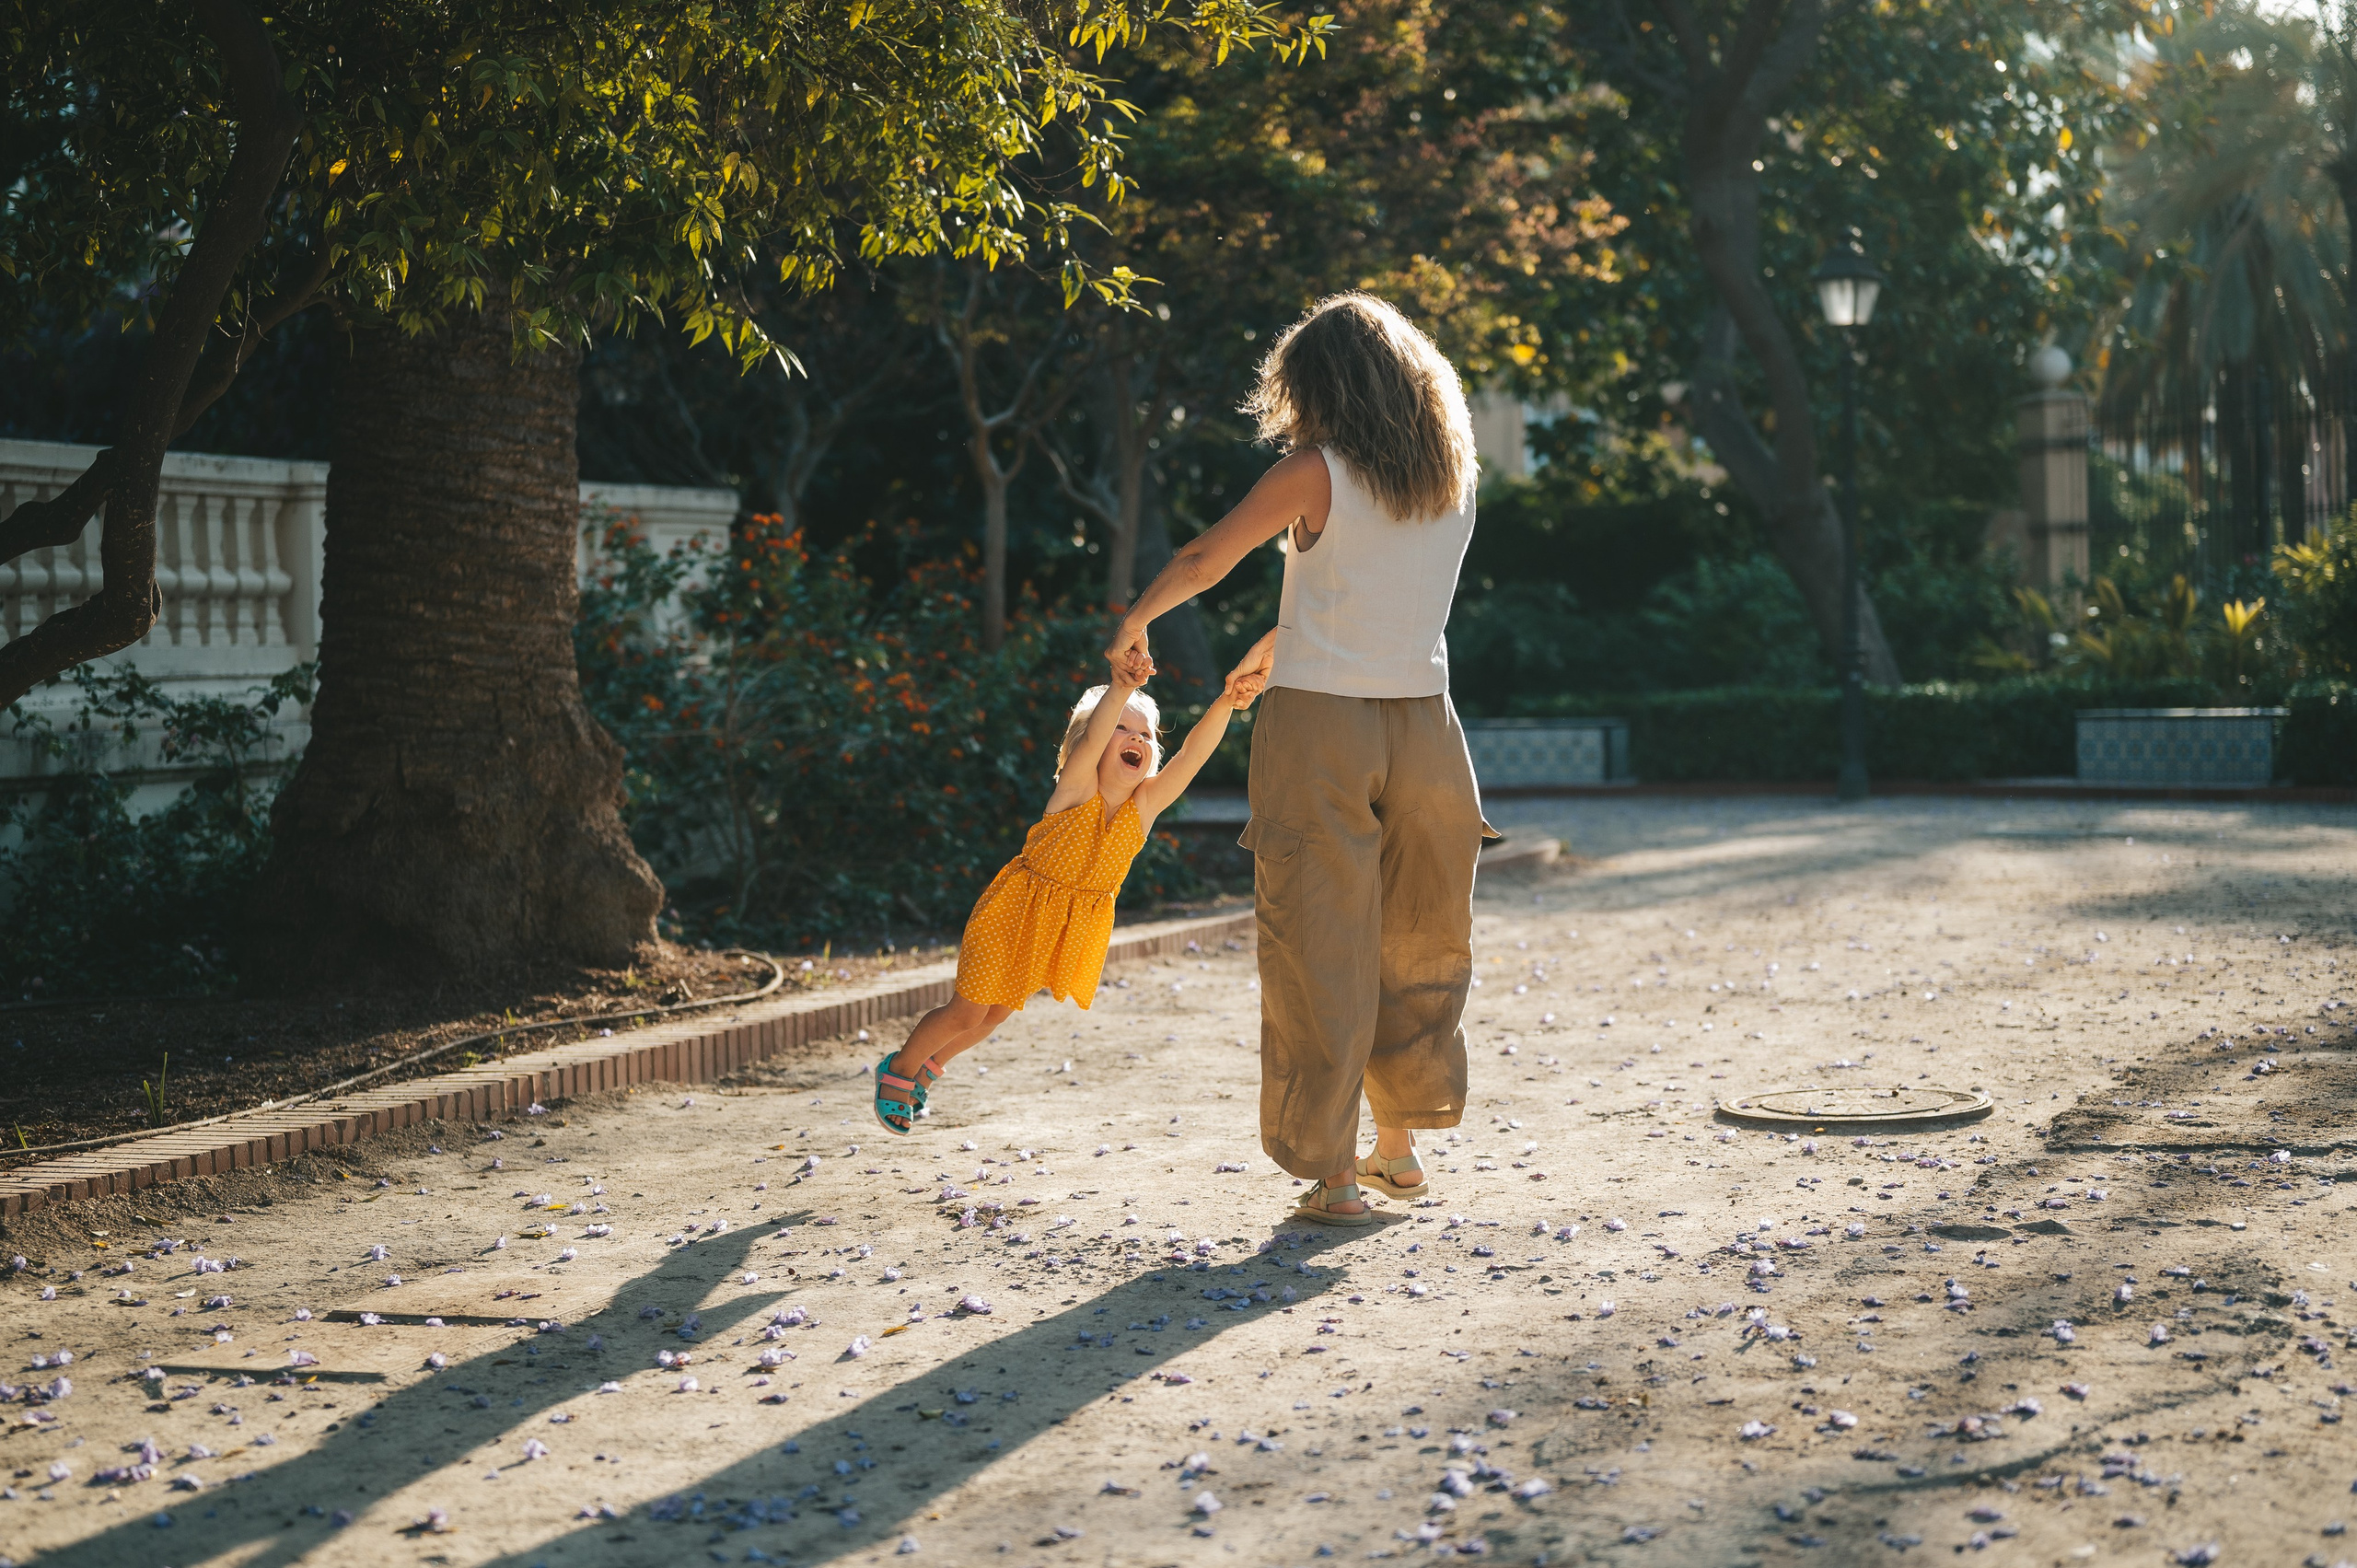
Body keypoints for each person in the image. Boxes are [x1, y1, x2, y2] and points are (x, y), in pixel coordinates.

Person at [1104, 291, 1493, 1227]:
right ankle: (1395, 1148)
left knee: (1319, 939)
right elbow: (1377, 591)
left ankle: (1332, 1175)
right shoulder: (1451, 475)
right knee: (1414, 934)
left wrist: (1136, 617)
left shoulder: (1314, 469)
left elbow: (1205, 555)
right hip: (1429, 730)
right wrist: (1286, 635)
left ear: (1315, 385)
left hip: (1322, 729)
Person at [872, 656, 1265, 1133]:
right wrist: (1120, 688)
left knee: (995, 1013)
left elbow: (1191, 757)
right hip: (1015, 911)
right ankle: (899, 1070)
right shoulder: (1077, 789)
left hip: (1058, 924)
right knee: (969, 1009)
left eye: (1145, 735)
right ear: (1092, 745)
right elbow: (1095, 735)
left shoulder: (1143, 807)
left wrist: (1227, 703)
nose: (1136, 739)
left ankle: (928, 1072)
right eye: (1123, 729)